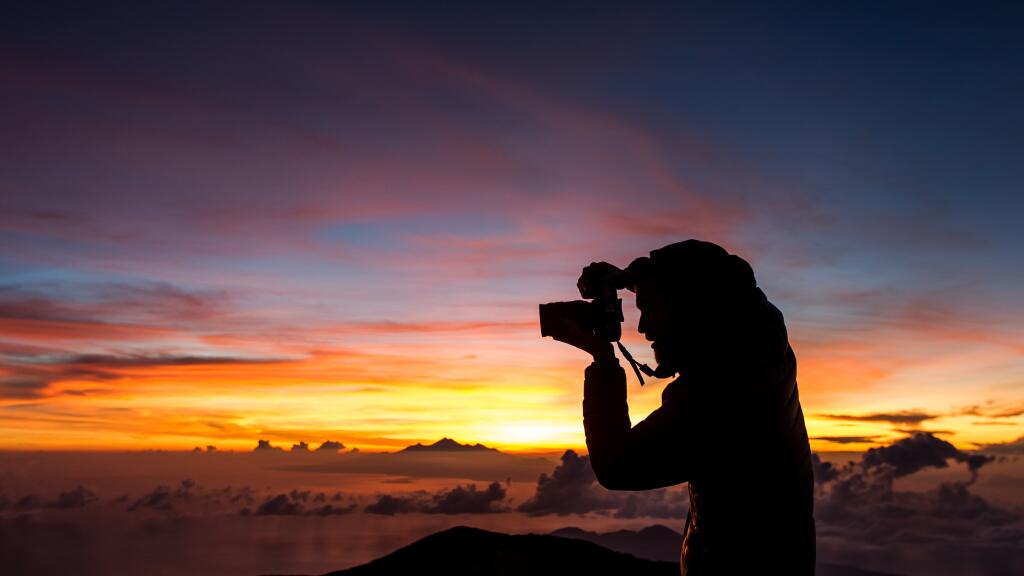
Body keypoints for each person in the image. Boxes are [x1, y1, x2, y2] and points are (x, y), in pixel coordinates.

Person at [550, 239, 815, 575]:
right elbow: (704, 279)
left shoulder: (720, 395)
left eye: (650, 309)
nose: (643, 327)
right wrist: (627, 277)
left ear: (691, 312)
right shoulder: (759, 344)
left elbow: (617, 466)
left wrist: (603, 360)